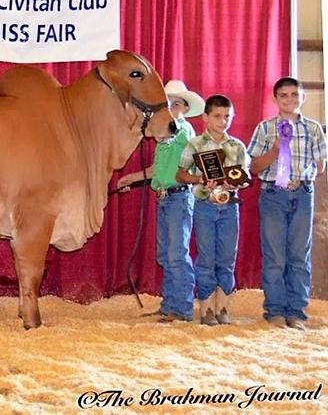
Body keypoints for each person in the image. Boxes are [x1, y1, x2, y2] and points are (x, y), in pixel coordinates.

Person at [118, 80, 204, 322]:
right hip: (166, 199)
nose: (172, 108)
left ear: (185, 109)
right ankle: (170, 304)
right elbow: (156, 170)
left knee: (177, 253)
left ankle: (183, 308)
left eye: (176, 104)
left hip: (179, 197)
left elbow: (165, 134)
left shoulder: (183, 132)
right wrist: (129, 179)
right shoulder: (167, 136)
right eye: (168, 104)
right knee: (167, 254)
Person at [247, 77, 326, 331]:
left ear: (303, 97)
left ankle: (297, 312)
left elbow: (321, 166)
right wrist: (275, 151)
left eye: (294, 95)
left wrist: (301, 174)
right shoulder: (265, 128)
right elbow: (254, 167)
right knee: (274, 255)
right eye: (284, 95)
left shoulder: (314, 129)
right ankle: (276, 311)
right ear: (275, 99)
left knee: (299, 254)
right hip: (273, 194)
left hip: (303, 194)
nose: (290, 100)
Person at [176, 95, 250, 326]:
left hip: (229, 206)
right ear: (206, 117)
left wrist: (235, 183)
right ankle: (206, 309)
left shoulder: (237, 146)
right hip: (204, 205)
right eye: (217, 116)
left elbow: (244, 177)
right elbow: (180, 174)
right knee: (206, 256)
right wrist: (198, 178)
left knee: (228, 256)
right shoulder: (195, 144)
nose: (223, 121)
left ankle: (224, 307)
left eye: (227, 116)